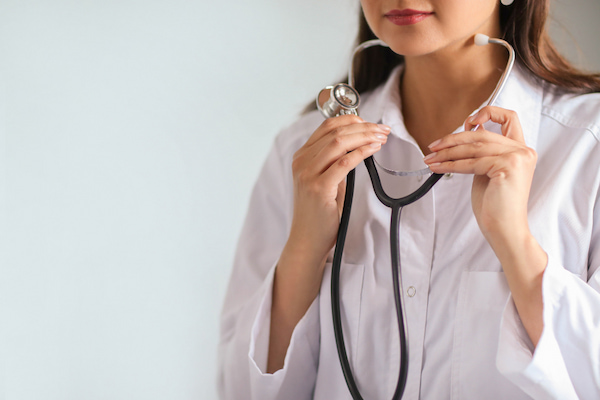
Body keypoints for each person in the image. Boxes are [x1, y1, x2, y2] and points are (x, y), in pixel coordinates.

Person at [218, 0, 600, 398]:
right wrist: (305, 250)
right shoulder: (301, 156)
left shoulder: (589, 146)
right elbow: (241, 390)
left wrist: (516, 246)